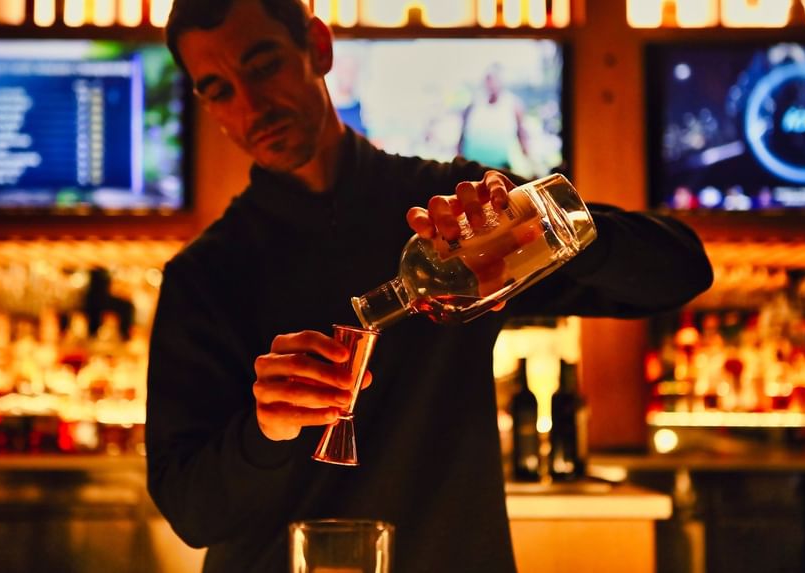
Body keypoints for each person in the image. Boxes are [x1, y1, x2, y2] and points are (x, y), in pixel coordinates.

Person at [144, 1, 714, 572]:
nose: (250, 106)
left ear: (318, 47)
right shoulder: (206, 274)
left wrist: (544, 223)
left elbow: (680, 269)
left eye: (263, 66)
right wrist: (265, 431)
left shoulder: (452, 216)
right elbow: (193, 514)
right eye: (218, 89)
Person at [457, 62, 531, 171]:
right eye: (488, 79)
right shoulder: (473, 103)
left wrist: (531, 162)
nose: (491, 84)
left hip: (500, 169)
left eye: (494, 79)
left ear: (501, 81)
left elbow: (522, 135)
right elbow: (462, 135)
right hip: (472, 168)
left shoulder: (513, 104)